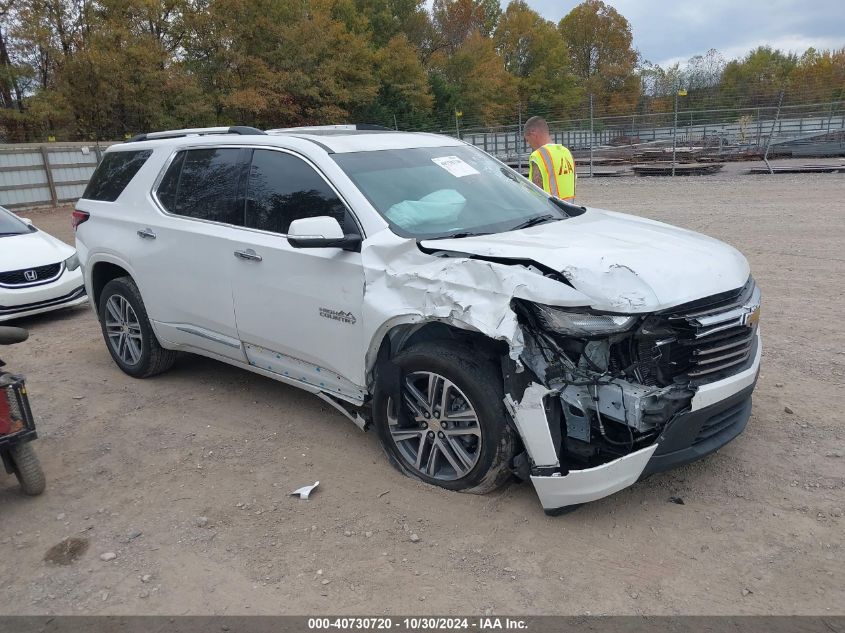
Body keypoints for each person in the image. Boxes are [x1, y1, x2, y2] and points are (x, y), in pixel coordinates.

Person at [522, 116, 575, 201]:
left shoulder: (538, 155)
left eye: (527, 140)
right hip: (570, 208)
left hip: (550, 210)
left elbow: (535, 191)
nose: (528, 144)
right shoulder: (566, 152)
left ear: (533, 134)